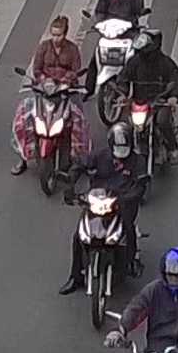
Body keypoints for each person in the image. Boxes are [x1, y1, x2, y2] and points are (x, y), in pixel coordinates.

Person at [60, 122, 150, 290]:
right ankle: (75, 276)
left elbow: (141, 185)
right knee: (78, 236)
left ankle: (130, 262)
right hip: (98, 201)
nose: (120, 156)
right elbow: (80, 165)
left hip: (123, 203)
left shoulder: (138, 161)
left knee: (128, 229)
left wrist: (130, 196)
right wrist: (70, 186)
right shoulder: (100, 155)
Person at [15, 16, 91, 175]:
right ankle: (22, 158)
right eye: (54, 34)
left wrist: (66, 80)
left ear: (65, 34)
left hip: (65, 91)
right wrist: (42, 79)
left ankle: (82, 159)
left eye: (59, 35)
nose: (56, 38)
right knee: (23, 117)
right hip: (44, 89)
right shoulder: (43, 47)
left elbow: (75, 70)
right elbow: (37, 69)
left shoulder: (72, 49)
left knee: (79, 119)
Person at [110, 26, 178, 164]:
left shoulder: (165, 63)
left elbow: (177, 79)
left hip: (160, 102)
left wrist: (173, 96)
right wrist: (122, 94)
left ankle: (172, 148)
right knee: (124, 124)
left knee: (163, 121)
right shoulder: (134, 62)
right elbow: (123, 79)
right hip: (139, 102)